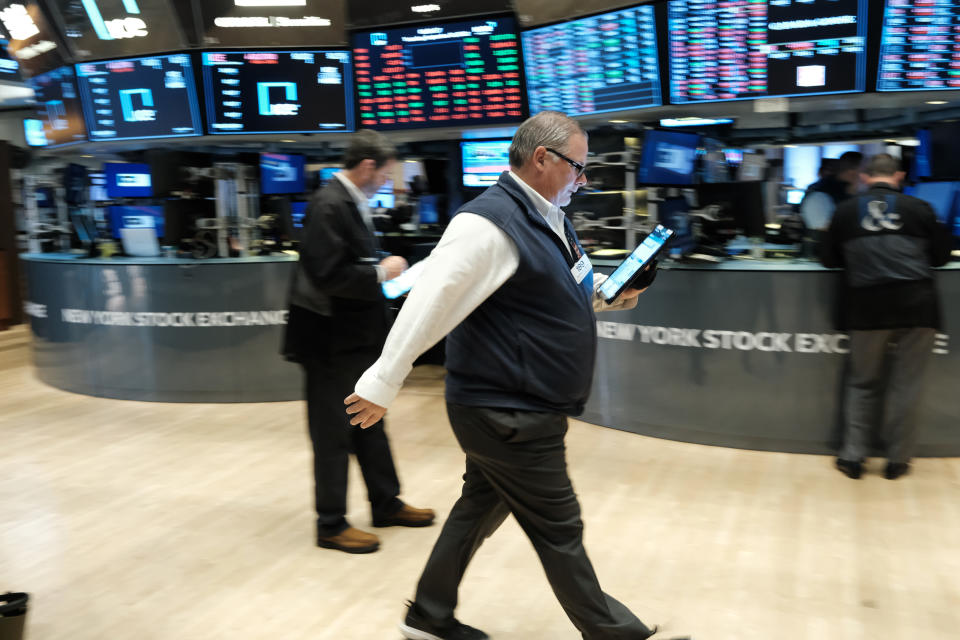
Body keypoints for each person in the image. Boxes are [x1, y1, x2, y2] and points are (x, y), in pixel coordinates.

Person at [345, 111, 660, 640]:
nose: (582, 181)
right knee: (559, 528)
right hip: (507, 409)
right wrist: (382, 384)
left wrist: (611, 292)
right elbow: (429, 304)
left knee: (476, 510)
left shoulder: (550, 216)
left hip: (512, 403)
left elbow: (569, 286)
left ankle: (428, 614)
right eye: (578, 169)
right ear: (543, 159)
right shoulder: (486, 223)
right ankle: (615, 634)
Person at [282, 129, 434, 554]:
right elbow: (328, 275)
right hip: (329, 345)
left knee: (369, 424)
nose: (387, 183)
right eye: (385, 175)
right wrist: (380, 273)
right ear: (368, 166)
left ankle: (386, 503)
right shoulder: (329, 204)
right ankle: (330, 524)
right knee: (333, 435)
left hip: (354, 341)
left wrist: (385, 274)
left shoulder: (349, 201)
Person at [821, 153, 953, 480]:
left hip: (866, 309)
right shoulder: (921, 209)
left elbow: (827, 259)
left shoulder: (845, 210)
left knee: (862, 383)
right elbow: (940, 257)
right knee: (907, 386)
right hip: (918, 307)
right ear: (900, 176)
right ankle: (898, 461)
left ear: (865, 177)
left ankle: (853, 458)